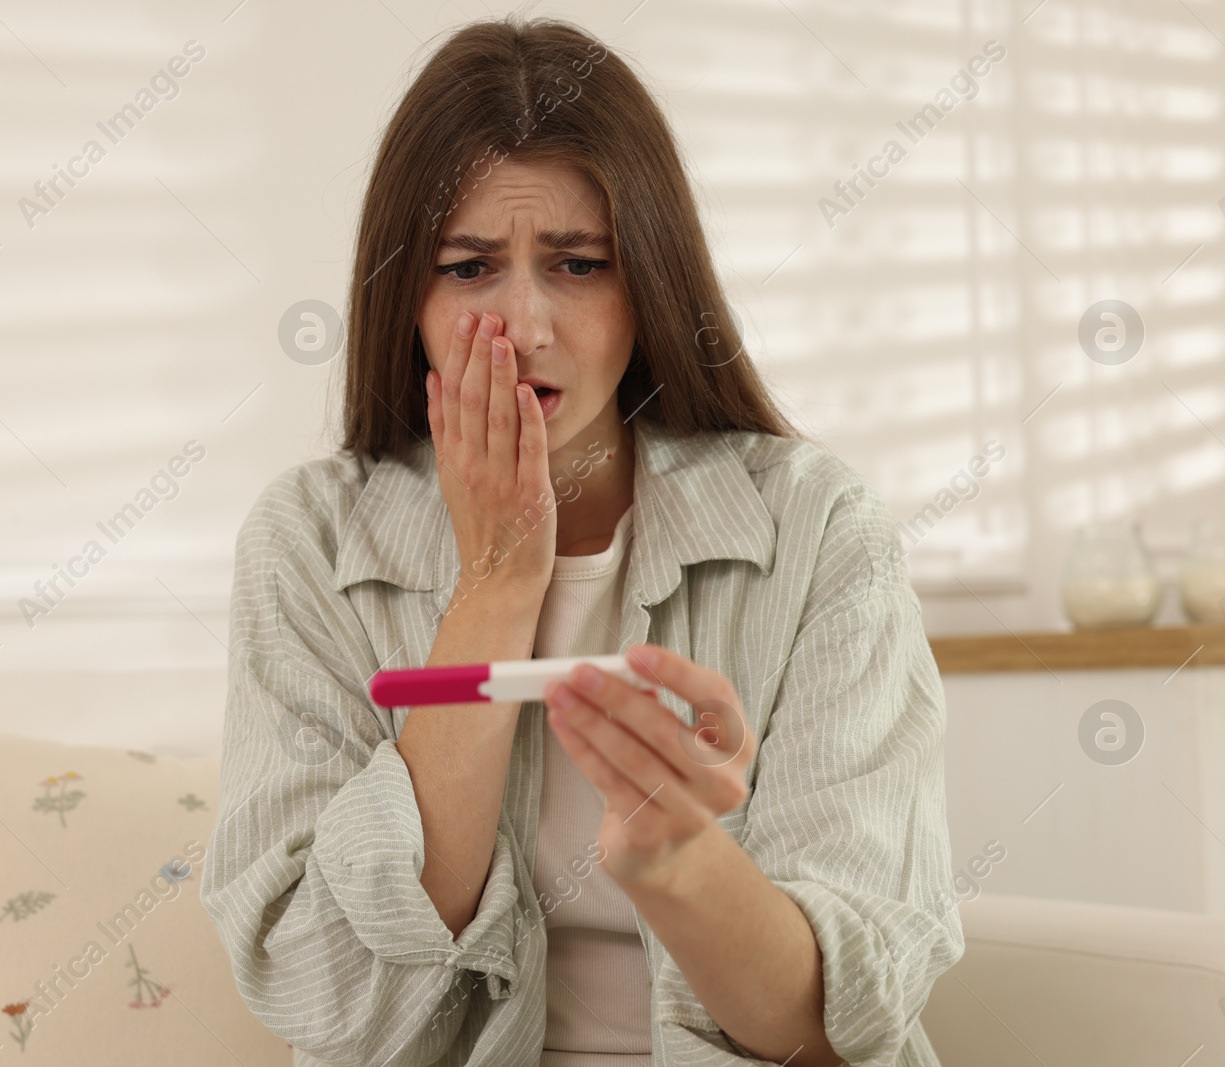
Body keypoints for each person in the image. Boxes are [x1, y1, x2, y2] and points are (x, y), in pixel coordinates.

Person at [200, 15, 962, 1067]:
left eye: (578, 264)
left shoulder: (817, 528)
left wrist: (678, 861)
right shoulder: (306, 545)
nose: (523, 321)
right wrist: (495, 578)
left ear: (647, 284)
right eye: (468, 269)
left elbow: (838, 1025)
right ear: (405, 300)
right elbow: (331, 1002)